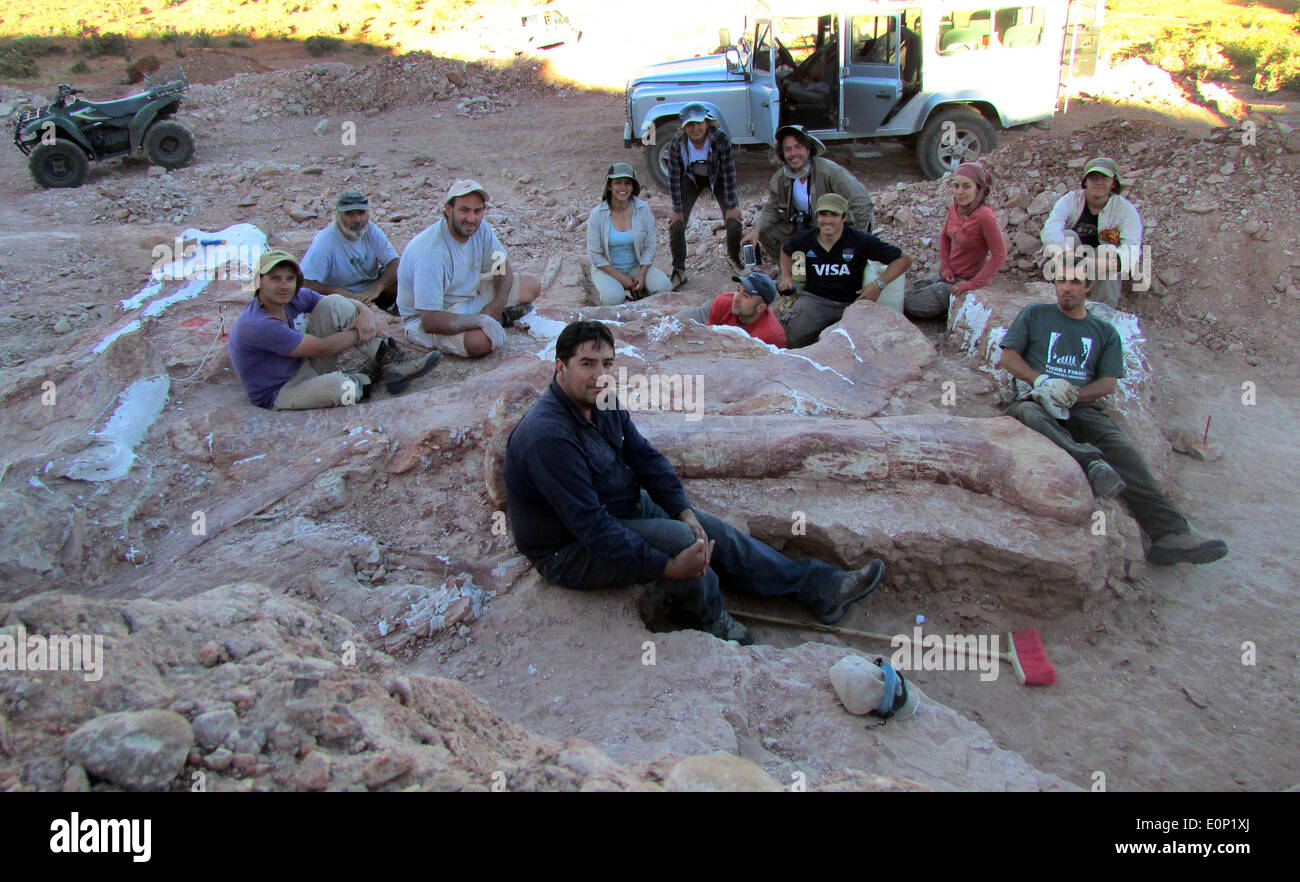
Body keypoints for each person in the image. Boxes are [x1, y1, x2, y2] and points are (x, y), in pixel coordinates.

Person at [504, 320, 887, 645]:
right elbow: (591, 527)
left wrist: (682, 510)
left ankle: (820, 588)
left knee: (710, 531)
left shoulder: (602, 400)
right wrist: (668, 567)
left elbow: (645, 458)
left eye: (607, 363)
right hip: (567, 549)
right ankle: (704, 616)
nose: (599, 375)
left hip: (620, 507)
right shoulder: (548, 437)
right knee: (683, 545)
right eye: (586, 364)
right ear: (560, 368)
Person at [999, 260, 1228, 566]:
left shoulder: (1103, 331)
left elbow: (1108, 383)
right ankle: (1091, 462)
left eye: (1075, 282)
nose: (1066, 287)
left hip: (1083, 406)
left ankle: (1170, 533)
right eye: (1061, 280)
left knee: (1124, 452)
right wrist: (1043, 381)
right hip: (1036, 397)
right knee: (1027, 413)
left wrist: (1075, 394)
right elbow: (1009, 358)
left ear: (1089, 286)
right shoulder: (1034, 314)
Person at [228, 250, 440, 410]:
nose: (284, 285)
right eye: (275, 278)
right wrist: (361, 332)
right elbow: (321, 348)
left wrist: (364, 313)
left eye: (289, 278)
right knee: (342, 390)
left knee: (335, 304)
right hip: (280, 390)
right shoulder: (258, 324)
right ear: (259, 282)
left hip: (304, 365)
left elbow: (338, 302)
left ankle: (388, 361)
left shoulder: (292, 298)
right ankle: (363, 379)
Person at [396, 180, 542, 359]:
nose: (471, 219)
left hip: (470, 294)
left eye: (477, 211)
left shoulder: (480, 229)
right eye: (464, 210)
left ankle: (497, 317)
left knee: (532, 285)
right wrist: (480, 319)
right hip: (438, 314)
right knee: (481, 342)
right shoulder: (430, 253)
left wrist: (496, 304)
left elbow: (501, 264)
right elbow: (429, 320)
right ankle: (501, 319)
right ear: (449, 210)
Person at [778, 194, 912, 348]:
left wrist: (878, 285)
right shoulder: (805, 239)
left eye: (834, 215)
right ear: (817, 217)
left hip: (852, 303)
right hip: (815, 300)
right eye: (823, 214)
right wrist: (786, 276)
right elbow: (786, 250)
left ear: (843, 217)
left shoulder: (860, 240)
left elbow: (904, 260)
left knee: (865, 346)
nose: (827, 220)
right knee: (786, 339)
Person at [742, 125, 874, 266]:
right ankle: (792, 269)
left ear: (808, 149)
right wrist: (757, 229)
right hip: (806, 228)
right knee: (766, 232)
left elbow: (862, 203)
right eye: (788, 149)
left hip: (835, 229)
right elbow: (772, 207)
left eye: (798, 147)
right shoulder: (781, 178)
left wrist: (853, 238)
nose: (793, 153)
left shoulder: (829, 172)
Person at [905, 161, 1007, 319]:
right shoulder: (956, 208)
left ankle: (954, 310)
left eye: (966, 186)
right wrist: (945, 268)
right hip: (949, 274)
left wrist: (972, 284)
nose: (959, 192)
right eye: (956, 186)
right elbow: (945, 237)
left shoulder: (984, 216)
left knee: (911, 305)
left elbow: (999, 255)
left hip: (965, 281)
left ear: (978, 189)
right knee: (912, 291)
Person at [1040, 157, 1142, 308]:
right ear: (1086, 181)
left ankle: (1102, 310)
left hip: (1101, 264)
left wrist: (1094, 264)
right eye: (1093, 178)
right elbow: (1050, 229)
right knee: (1067, 236)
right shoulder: (1070, 200)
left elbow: (1131, 249)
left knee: (1107, 251)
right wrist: (1067, 255)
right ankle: (1064, 299)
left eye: (1104, 178)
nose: (1098, 182)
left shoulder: (1125, 210)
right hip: (1070, 259)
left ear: (1113, 183)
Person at [664, 103, 743, 290]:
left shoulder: (720, 139)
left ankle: (734, 256)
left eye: (699, 123)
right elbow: (674, 177)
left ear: (707, 123)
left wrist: (732, 205)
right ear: (684, 128)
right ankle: (679, 270)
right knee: (675, 224)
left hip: (717, 176)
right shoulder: (677, 143)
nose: (695, 128)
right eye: (690, 125)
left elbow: (729, 172)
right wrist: (677, 208)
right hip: (691, 178)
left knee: (734, 219)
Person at [300, 190, 401, 312]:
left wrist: (376, 289)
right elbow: (305, 283)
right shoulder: (325, 241)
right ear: (338, 215)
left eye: (361, 213)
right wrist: (337, 292)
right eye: (349, 214)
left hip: (372, 292)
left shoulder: (371, 230)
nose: (357, 219)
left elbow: (395, 262)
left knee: (405, 277)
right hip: (341, 299)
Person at [586, 163, 672, 305]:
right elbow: (595, 255)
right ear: (609, 186)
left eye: (627, 183)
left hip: (636, 266)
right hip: (607, 268)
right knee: (613, 299)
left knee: (664, 287)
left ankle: (642, 294)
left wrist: (642, 273)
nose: (622, 188)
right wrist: (620, 277)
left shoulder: (643, 210)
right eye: (617, 183)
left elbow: (650, 246)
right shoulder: (597, 214)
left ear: (633, 187)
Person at [675, 271, 787, 347]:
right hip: (714, 315)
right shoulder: (724, 302)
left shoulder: (771, 336)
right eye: (738, 290)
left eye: (746, 296)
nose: (737, 297)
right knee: (674, 324)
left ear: (761, 307)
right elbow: (710, 337)